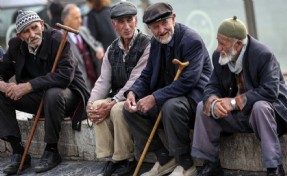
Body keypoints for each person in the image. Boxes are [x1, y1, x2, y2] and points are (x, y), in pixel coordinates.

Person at [123, 2, 212, 176]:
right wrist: (133, 93)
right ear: (149, 29)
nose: (161, 30)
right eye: (155, 27)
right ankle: (164, 158)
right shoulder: (156, 43)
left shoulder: (191, 40)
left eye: (164, 23)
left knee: (170, 106)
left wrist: (154, 98)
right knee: (130, 110)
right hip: (168, 97)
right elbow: (147, 73)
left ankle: (186, 164)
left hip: (194, 99)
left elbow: (188, 81)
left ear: (174, 18)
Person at [191, 16, 287, 176]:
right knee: (204, 106)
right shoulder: (220, 57)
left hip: (268, 116)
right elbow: (211, 86)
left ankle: (274, 167)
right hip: (238, 116)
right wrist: (214, 102)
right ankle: (211, 164)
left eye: (222, 43)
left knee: (260, 106)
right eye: (217, 41)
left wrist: (235, 102)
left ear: (238, 44)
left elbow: (270, 92)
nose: (217, 48)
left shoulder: (262, 54)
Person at [0, 10, 90, 174]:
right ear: (20, 36)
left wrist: (28, 86)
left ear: (41, 24)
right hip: (38, 97)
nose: (32, 34)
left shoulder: (57, 39)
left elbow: (65, 77)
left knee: (53, 93)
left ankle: (52, 150)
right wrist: (3, 85)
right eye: (26, 31)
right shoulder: (15, 45)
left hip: (67, 95)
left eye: (35, 27)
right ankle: (19, 152)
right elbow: (2, 71)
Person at [86, 1, 150, 176]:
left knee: (116, 110)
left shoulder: (147, 44)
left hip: (139, 96)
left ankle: (127, 159)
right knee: (97, 106)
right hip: (117, 96)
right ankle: (111, 159)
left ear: (136, 21)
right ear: (114, 25)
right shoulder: (112, 49)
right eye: (121, 22)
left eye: (130, 20)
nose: (126, 26)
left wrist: (114, 101)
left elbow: (136, 80)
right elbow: (103, 81)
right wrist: (90, 103)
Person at [62, 3, 104, 91]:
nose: (80, 20)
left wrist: (99, 49)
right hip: (80, 85)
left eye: (80, 17)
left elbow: (96, 44)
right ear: (66, 20)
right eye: (76, 18)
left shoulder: (83, 30)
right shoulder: (61, 37)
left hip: (96, 80)